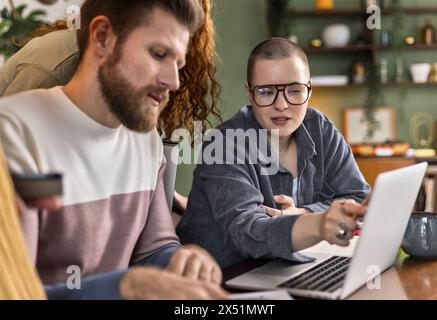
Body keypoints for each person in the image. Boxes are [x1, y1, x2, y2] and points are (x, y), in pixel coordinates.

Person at [0, 0, 227, 300]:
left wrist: (181, 262)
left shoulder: (146, 141)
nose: (173, 82)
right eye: (158, 54)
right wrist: (126, 286)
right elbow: (15, 293)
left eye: (178, 64)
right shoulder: (15, 135)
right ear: (103, 36)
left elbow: (155, 248)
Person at [0, 0, 222, 215]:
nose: (173, 81)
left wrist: (157, 193)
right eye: (158, 54)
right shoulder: (52, 67)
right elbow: (9, 175)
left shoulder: (129, 113)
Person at [177, 37, 370, 268]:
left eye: (295, 91)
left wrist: (303, 212)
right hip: (223, 280)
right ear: (250, 94)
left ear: (309, 89)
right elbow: (248, 232)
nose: (282, 105)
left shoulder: (320, 128)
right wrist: (316, 224)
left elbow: (357, 198)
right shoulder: (223, 144)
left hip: (290, 270)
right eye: (267, 92)